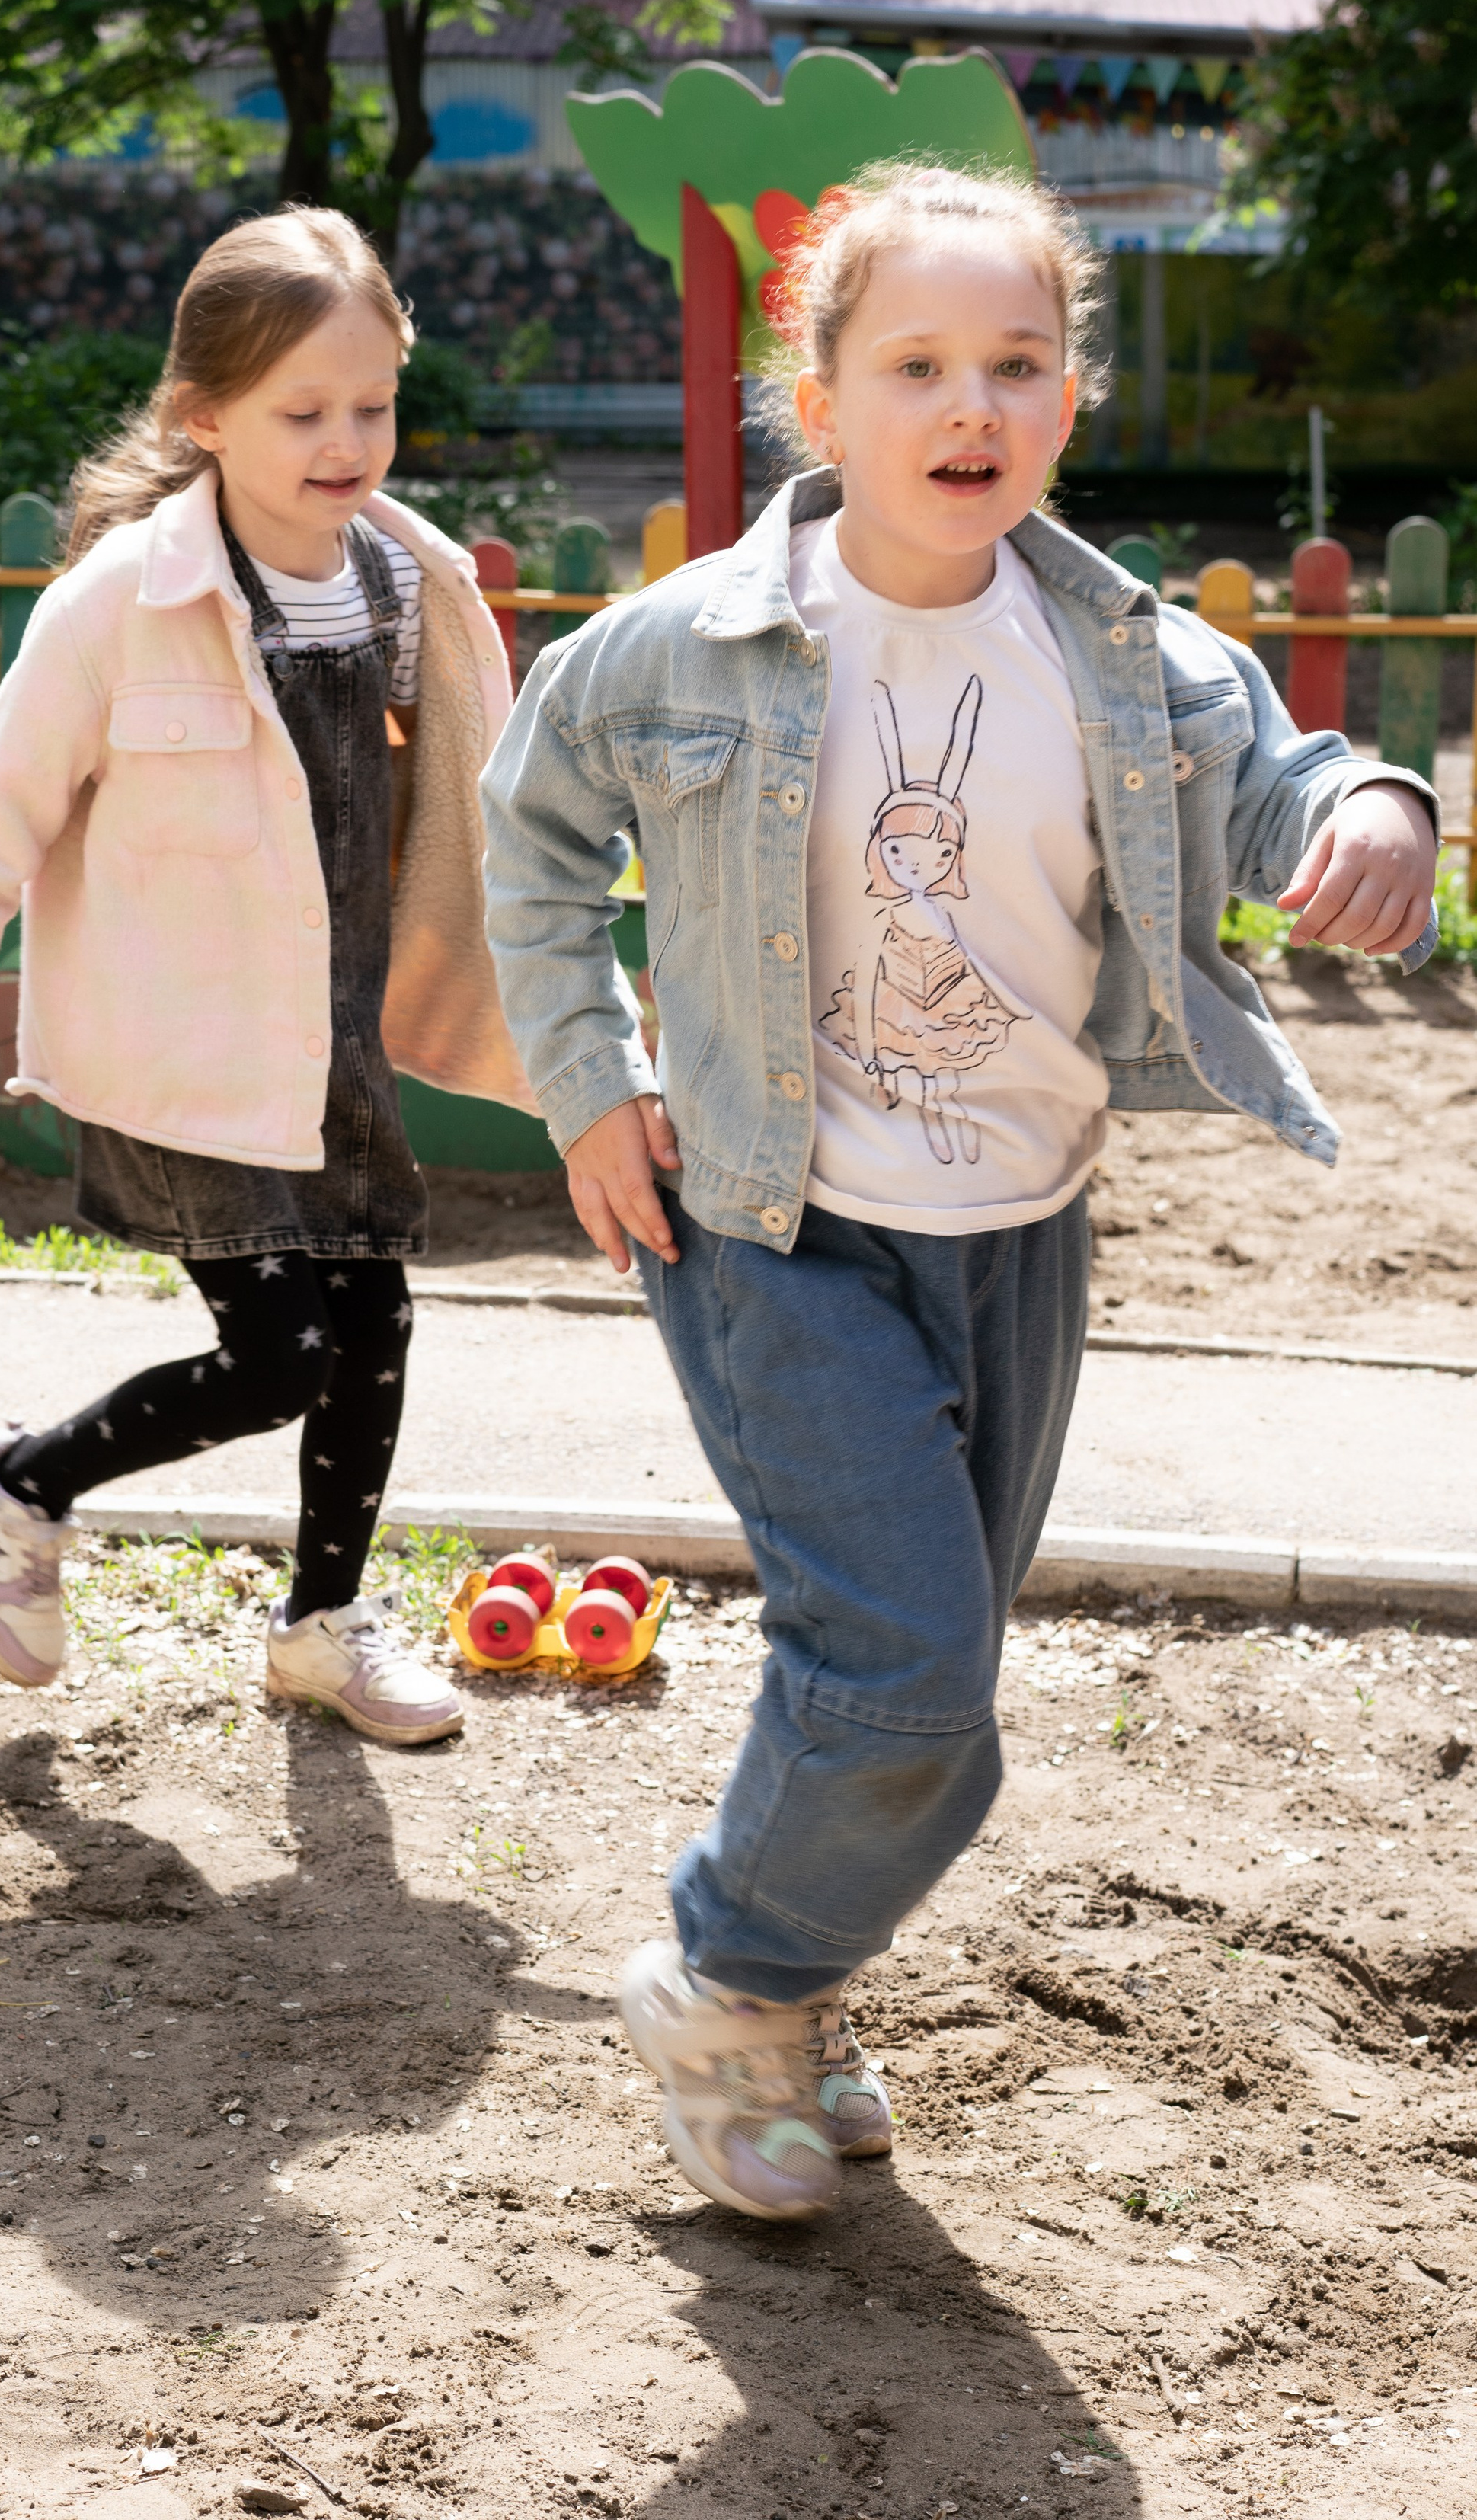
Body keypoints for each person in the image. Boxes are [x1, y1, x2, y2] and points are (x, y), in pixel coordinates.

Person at [480, 161, 1439, 2220]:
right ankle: (730, 1972)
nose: (968, 400)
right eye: (916, 362)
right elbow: (534, 840)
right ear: (820, 407)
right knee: (916, 1678)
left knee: (905, 1659)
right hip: (767, 1219)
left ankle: (796, 1983)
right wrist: (588, 1079)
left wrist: (1375, 797)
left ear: (1068, 399)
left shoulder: (1131, 656)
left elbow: (1284, 779)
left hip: (1022, 1221)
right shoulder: (681, 649)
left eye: (1015, 360)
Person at [0, 206, 528, 1734]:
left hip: (325, 1038)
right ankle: (22, 1478)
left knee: (372, 1325)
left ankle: (322, 1623)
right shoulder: (120, 602)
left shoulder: (405, 588)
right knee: (283, 1350)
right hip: (182, 1044)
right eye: (302, 411)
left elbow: (487, 819)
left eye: (372, 404)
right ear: (202, 416)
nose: (345, 438)